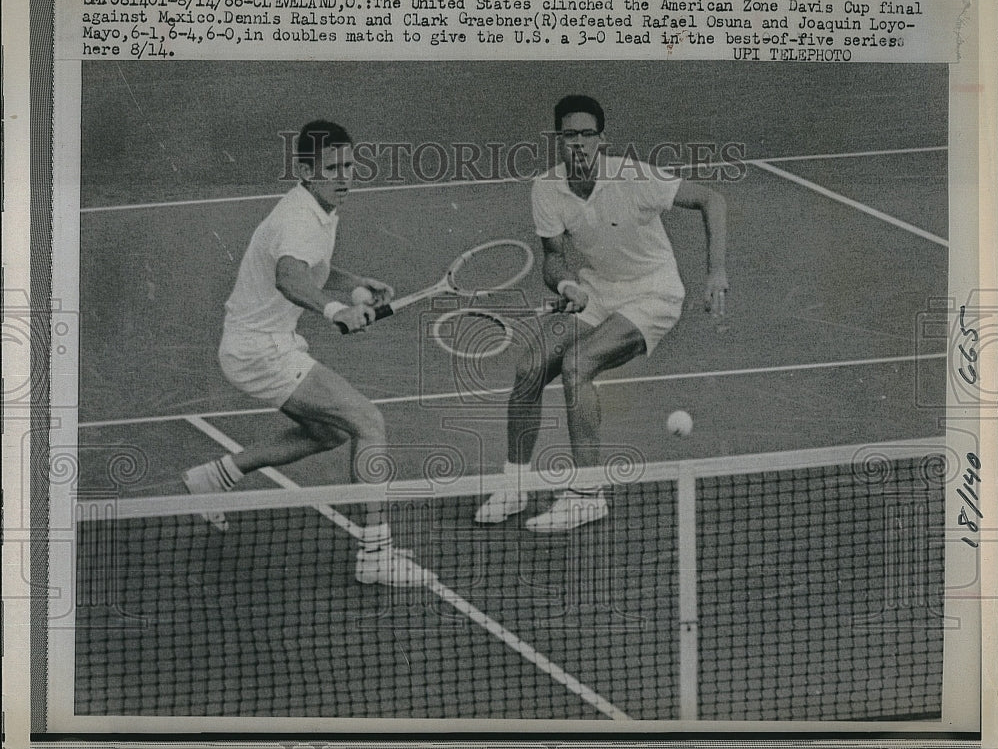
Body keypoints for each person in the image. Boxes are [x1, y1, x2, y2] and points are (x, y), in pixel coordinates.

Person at [182, 120, 429, 586]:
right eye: (333, 168)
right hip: (261, 352)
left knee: (333, 432)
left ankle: (217, 476)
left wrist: (353, 283)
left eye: (351, 166)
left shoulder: (317, 208)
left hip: (258, 345)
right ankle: (376, 555)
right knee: (368, 421)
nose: (345, 177)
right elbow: (290, 278)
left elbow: (315, 266)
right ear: (306, 171)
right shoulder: (297, 219)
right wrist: (336, 309)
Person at [475, 95, 729, 532]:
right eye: (569, 135)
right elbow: (552, 257)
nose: (578, 143)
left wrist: (716, 272)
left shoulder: (633, 177)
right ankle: (515, 485)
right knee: (529, 367)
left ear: (601, 139)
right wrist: (567, 285)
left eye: (586, 135)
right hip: (598, 293)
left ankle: (587, 494)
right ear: (558, 139)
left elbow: (711, 199)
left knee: (578, 365)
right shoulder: (547, 189)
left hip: (654, 293)